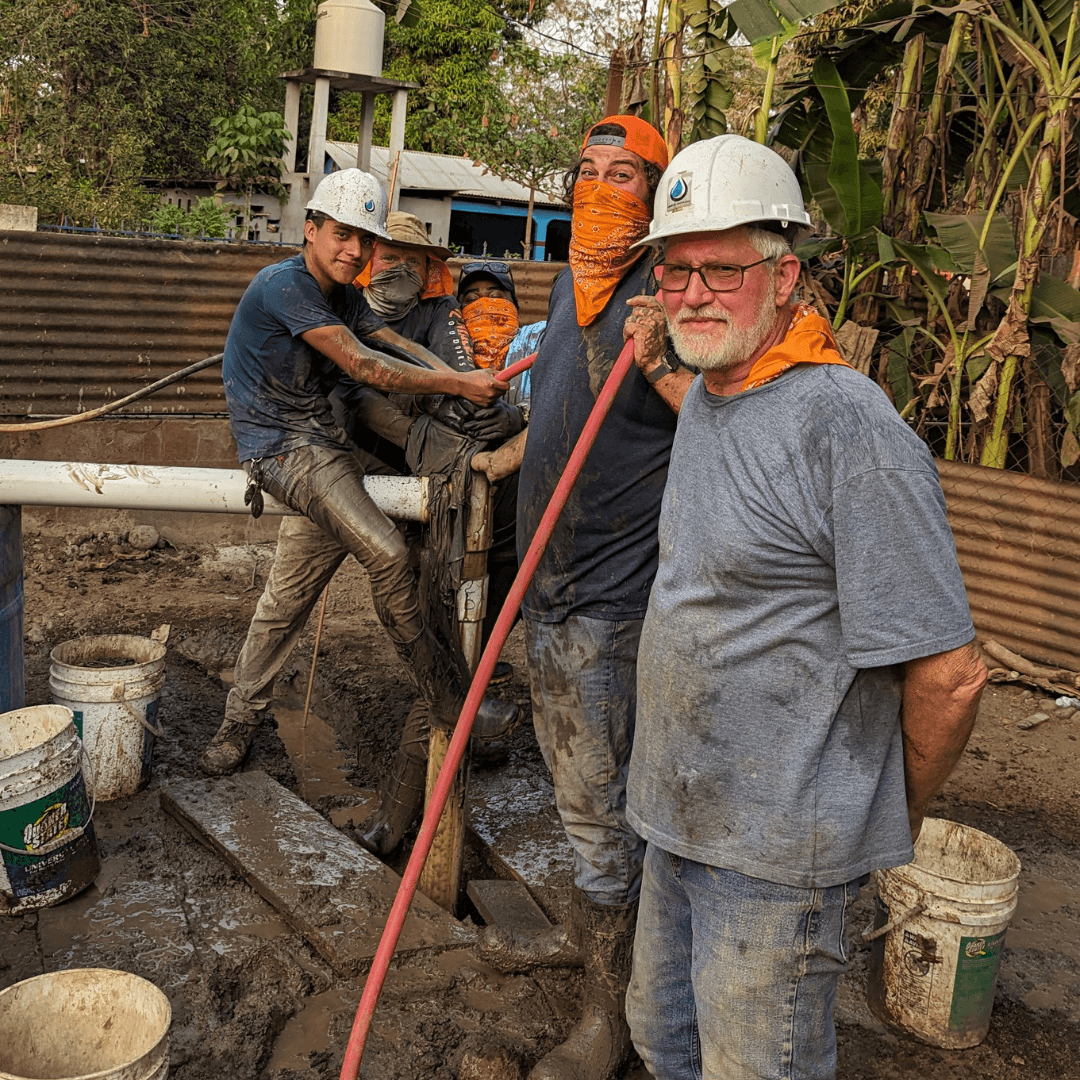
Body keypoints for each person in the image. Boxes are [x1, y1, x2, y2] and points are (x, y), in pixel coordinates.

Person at [620, 134, 987, 1080]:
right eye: (677, 270)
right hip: (675, 815)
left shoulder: (847, 425)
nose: (693, 293)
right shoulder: (710, 390)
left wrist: (872, 821)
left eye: (724, 270)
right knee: (663, 1042)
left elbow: (950, 677)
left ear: (785, 278)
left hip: (782, 859)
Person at [472, 116, 680, 1080]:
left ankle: (617, 1021)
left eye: (623, 176)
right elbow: (561, 416)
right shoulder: (567, 286)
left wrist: (665, 358)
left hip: (613, 599)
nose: (599, 190)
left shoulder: (667, 296)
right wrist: (500, 458)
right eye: (587, 173)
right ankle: (613, 964)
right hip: (547, 588)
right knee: (579, 794)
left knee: (606, 815)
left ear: (655, 196)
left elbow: (719, 422)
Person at [199, 169, 518, 777]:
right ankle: (448, 705)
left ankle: (453, 708)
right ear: (312, 230)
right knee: (341, 579)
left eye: (369, 244)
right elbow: (366, 365)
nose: (360, 253)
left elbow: (393, 346)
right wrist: (457, 383)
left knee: (416, 570)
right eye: (346, 237)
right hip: (288, 449)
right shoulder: (285, 287)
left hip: (335, 449)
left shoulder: (370, 300)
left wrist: (475, 386)